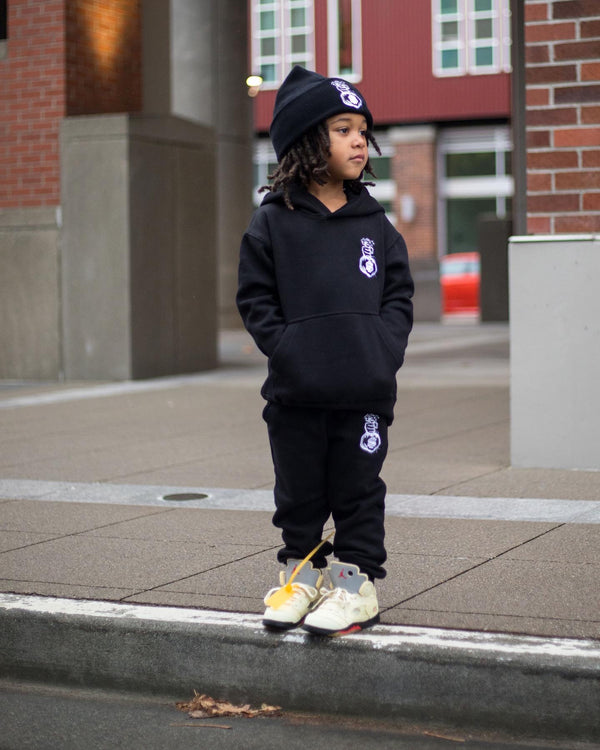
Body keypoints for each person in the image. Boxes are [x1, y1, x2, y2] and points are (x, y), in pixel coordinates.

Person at [237, 66, 414, 636]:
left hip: (364, 389)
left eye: (363, 129)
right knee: (300, 491)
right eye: (342, 128)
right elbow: (255, 298)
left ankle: (353, 586)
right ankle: (303, 575)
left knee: (358, 490)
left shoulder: (375, 223)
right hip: (297, 393)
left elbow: (398, 294)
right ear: (307, 141)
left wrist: (381, 348)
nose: (359, 140)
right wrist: (288, 348)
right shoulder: (271, 223)